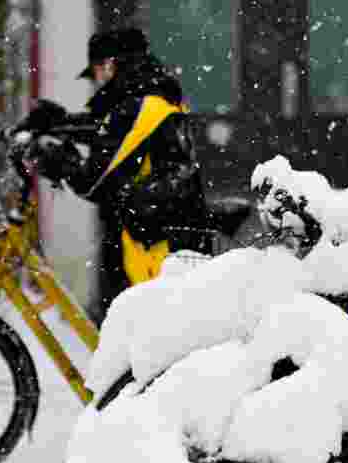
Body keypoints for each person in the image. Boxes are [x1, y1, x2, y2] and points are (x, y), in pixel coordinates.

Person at [21, 28, 212, 318]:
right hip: (167, 234)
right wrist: (60, 123)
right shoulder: (151, 97)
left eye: (97, 70)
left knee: (145, 341)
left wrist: (59, 159)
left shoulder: (139, 106)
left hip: (154, 245)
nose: (97, 80)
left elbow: (93, 182)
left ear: (110, 65)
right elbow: (109, 132)